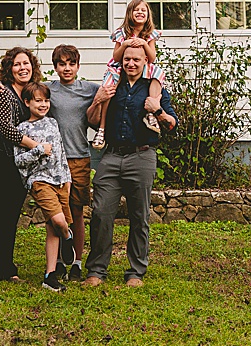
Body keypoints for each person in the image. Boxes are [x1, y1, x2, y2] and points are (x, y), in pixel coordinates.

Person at [84, 40, 176, 288]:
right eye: (127, 59)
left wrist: (157, 111)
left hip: (142, 156)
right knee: (101, 213)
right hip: (111, 156)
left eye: (136, 59)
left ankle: (136, 272)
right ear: (121, 62)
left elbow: (171, 124)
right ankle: (96, 271)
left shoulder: (155, 88)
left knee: (139, 216)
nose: (131, 63)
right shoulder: (112, 84)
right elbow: (92, 121)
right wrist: (97, 100)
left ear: (146, 61)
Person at [0, 46, 43, 287]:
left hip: (20, 161)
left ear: (32, 67)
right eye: (17, 64)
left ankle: (5, 268)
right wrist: (36, 146)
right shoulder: (2, 93)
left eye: (26, 64)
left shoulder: (33, 93)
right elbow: (5, 129)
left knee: (11, 215)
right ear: (9, 70)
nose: (22, 68)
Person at [13, 81, 75, 292]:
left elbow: (61, 153)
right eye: (38, 101)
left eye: (46, 100)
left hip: (59, 180)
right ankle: (68, 238)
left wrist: (67, 178)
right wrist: (38, 150)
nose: (43, 104)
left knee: (53, 228)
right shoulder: (22, 129)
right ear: (27, 102)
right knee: (60, 222)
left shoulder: (53, 123)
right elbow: (19, 161)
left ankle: (50, 276)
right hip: (39, 181)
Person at [46, 43, 98, 280]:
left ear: (78, 65)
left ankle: (76, 261)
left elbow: (115, 88)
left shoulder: (89, 89)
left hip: (79, 159)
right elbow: (19, 89)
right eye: (62, 64)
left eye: (71, 63)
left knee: (76, 212)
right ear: (55, 67)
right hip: (54, 161)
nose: (67, 68)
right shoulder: (48, 90)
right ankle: (57, 261)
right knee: (56, 214)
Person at [91, 0, 164, 150]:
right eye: (136, 10)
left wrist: (144, 43)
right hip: (121, 67)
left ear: (148, 14)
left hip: (142, 66)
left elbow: (151, 58)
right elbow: (116, 57)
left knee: (157, 73)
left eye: (143, 10)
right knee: (109, 87)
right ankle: (102, 129)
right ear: (130, 13)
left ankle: (150, 114)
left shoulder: (149, 34)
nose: (140, 13)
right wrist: (124, 44)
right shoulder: (122, 33)